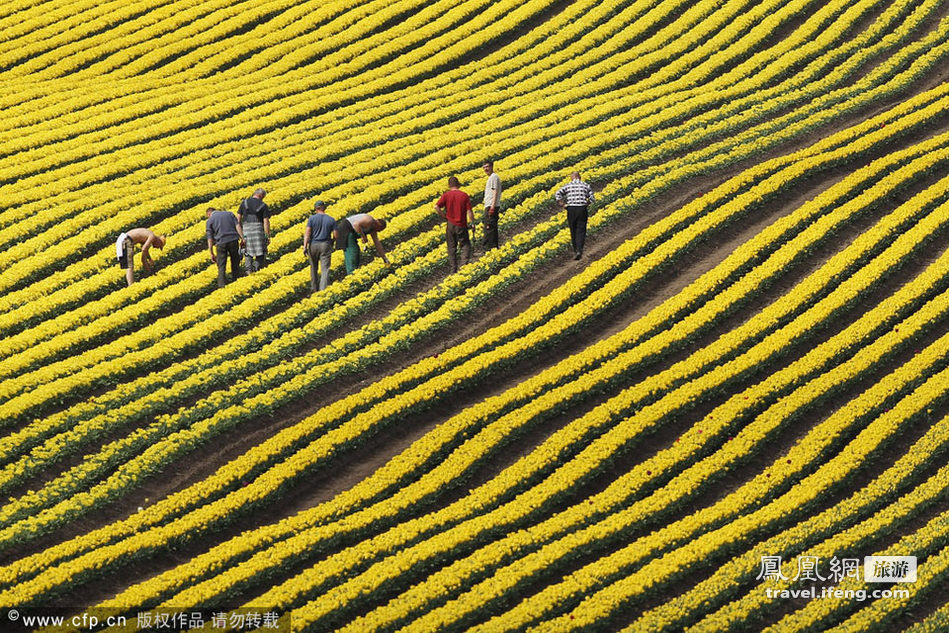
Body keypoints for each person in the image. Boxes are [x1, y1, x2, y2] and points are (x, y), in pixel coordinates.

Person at [435, 176, 475, 273]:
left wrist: (444, 216)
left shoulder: (446, 195)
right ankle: (464, 267)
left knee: (451, 247)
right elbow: (469, 211)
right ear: (458, 184)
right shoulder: (464, 195)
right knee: (465, 245)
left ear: (449, 185)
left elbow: (436, 207)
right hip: (461, 224)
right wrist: (472, 223)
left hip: (450, 224)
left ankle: (453, 269)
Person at [555, 171, 595, 260]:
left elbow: (558, 194)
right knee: (581, 229)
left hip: (571, 209)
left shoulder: (568, 185)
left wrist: (563, 204)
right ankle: (579, 250)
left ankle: (575, 249)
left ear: (572, 177)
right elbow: (592, 198)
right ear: (579, 177)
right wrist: (586, 203)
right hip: (581, 209)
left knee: (573, 229)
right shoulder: (585, 185)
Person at [304, 200, 336, 292]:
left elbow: (307, 233)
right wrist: (332, 242)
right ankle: (323, 289)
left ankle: (314, 288)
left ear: (316, 209)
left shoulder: (311, 219)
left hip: (313, 245)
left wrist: (305, 246)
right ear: (324, 208)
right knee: (325, 269)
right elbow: (336, 235)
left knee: (313, 267)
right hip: (325, 245)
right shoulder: (331, 219)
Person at [206, 207, 243, 287]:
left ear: (209, 214)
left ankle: (222, 285)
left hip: (221, 243)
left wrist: (211, 252)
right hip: (233, 240)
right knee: (235, 261)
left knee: (221, 265)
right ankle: (236, 280)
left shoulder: (210, 220)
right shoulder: (229, 214)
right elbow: (238, 226)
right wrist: (242, 238)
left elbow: (210, 238)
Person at [237, 187, 270, 272]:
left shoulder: (244, 203)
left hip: (246, 230)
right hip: (258, 230)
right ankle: (256, 268)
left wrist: (240, 232)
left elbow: (238, 219)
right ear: (260, 195)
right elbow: (266, 221)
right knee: (261, 251)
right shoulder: (263, 205)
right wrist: (267, 235)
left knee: (247, 251)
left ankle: (248, 271)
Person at [482, 160, 502, 250]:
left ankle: (490, 249)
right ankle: (493, 248)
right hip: (489, 205)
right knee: (491, 228)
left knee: (489, 228)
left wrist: (492, 207)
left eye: (487, 166)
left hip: (491, 206)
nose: (486, 169)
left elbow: (495, 192)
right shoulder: (491, 177)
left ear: (492, 167)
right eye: (484, 167)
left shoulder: (494, 177)